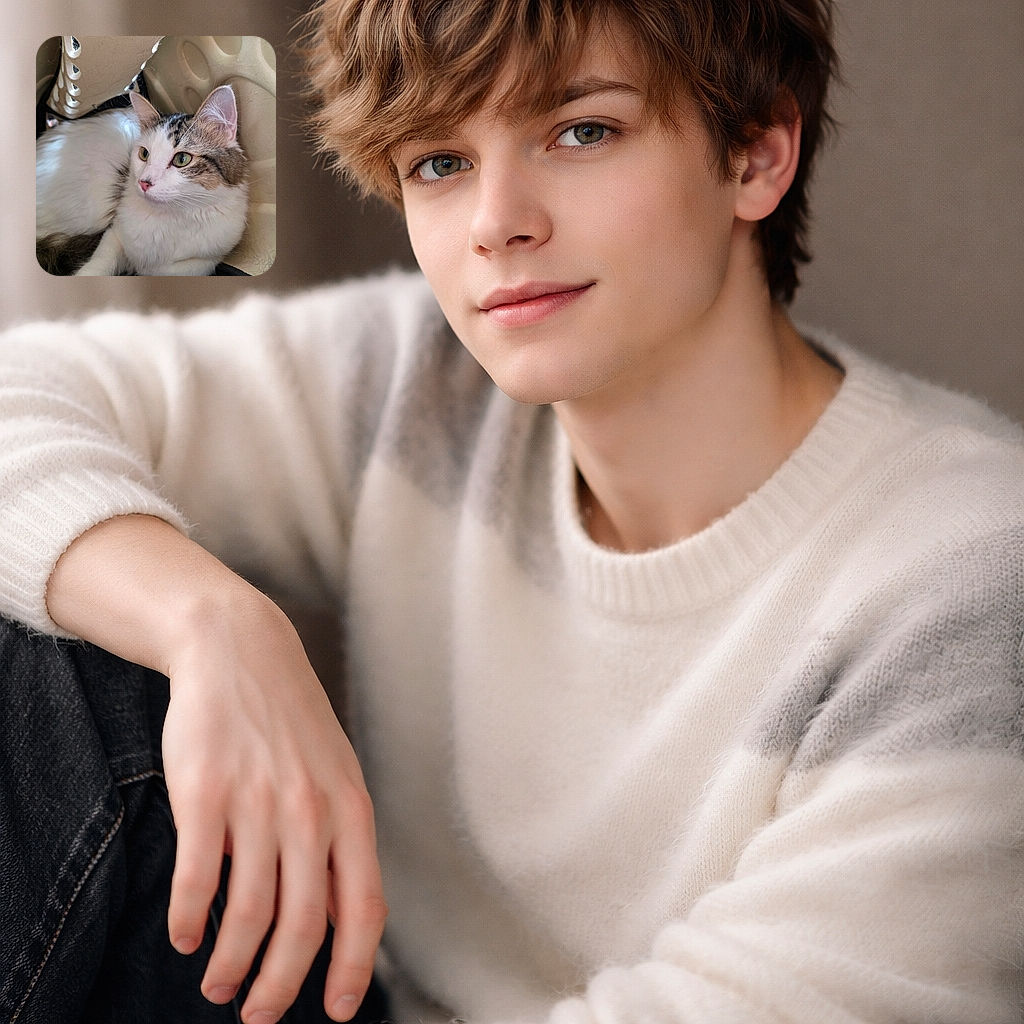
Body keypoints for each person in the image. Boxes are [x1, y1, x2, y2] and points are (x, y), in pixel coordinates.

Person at [2, 0, 1021, 1022]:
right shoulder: (419, 379)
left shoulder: (968, 585)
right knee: (55, 630)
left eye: (582, 132)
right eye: (440, 162)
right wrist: (211, 621)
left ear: (756, 152)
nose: (497, 222)